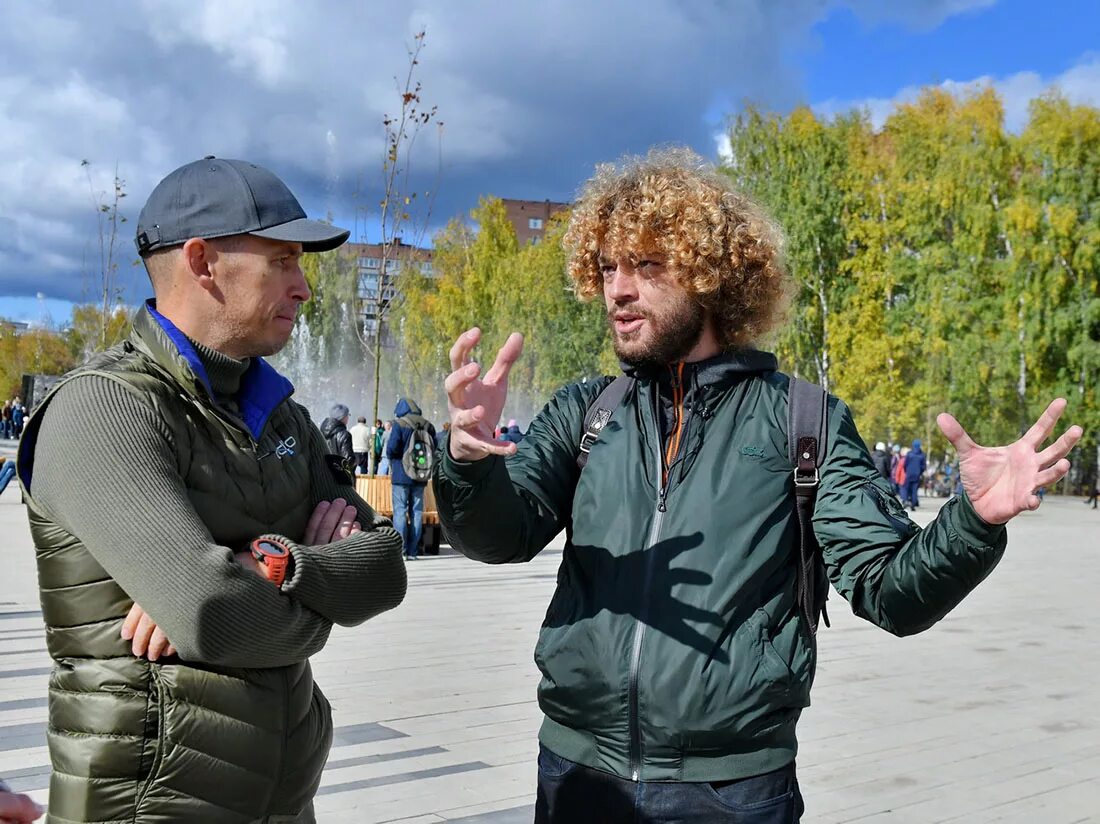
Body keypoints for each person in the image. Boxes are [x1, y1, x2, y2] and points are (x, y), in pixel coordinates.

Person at [433, 148, 1081, 823]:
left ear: (712, 275)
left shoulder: (805, 422)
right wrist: (468, 459)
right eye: (607, 268)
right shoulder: (588, 413)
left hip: (733, 793)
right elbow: (498, 538)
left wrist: (971, 522)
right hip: (576, 775)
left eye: (648, 265)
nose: (618, 290)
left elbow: (892, 593)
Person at [15, 157, 407, 823]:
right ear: (201, 262)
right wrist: (303, 585)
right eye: (283, 260)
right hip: (153, 803)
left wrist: (269, 564)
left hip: (279, 797)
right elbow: (211, 613)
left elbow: (384, 572)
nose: (304, 288)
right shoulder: (105, 407)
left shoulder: (283, 415)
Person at [386, 398, 436, 560]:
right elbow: (434, 448)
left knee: (400, 512)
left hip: (401, 475)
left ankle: (400, 551)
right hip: (420, 476)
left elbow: (392, 449)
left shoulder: (399, 424)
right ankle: (413, 551)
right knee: (416, 512)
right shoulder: (428, 425)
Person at [319, 402, 355, 469]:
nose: (348, 418)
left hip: (322, 473)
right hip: (338, 476)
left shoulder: (320, 432)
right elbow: (348, 460)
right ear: (342, 417)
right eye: (347, 415)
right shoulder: (345, 435)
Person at [904, 438, 927, 511]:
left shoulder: (909, 454)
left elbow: (905, 464)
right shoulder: (922, 455)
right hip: (917, 475)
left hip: (909, 474)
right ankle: (913, 504)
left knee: (907, 488)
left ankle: (906, 501)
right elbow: (923, 466)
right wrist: (920, 472)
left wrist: (906, 471)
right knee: (914, 490)